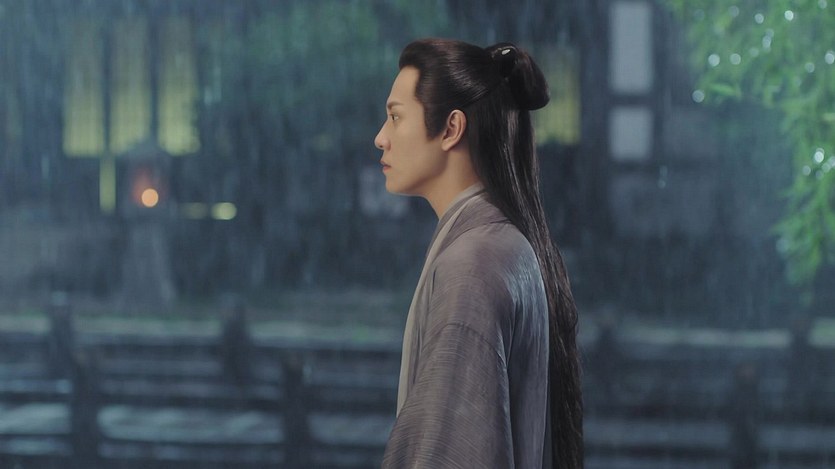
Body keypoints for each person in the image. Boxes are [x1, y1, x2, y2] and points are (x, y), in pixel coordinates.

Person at [373, 38, 583, 468]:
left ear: (451, 128)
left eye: (395, 117)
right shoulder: (501, 243)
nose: (381, 138)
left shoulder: (474, 263)